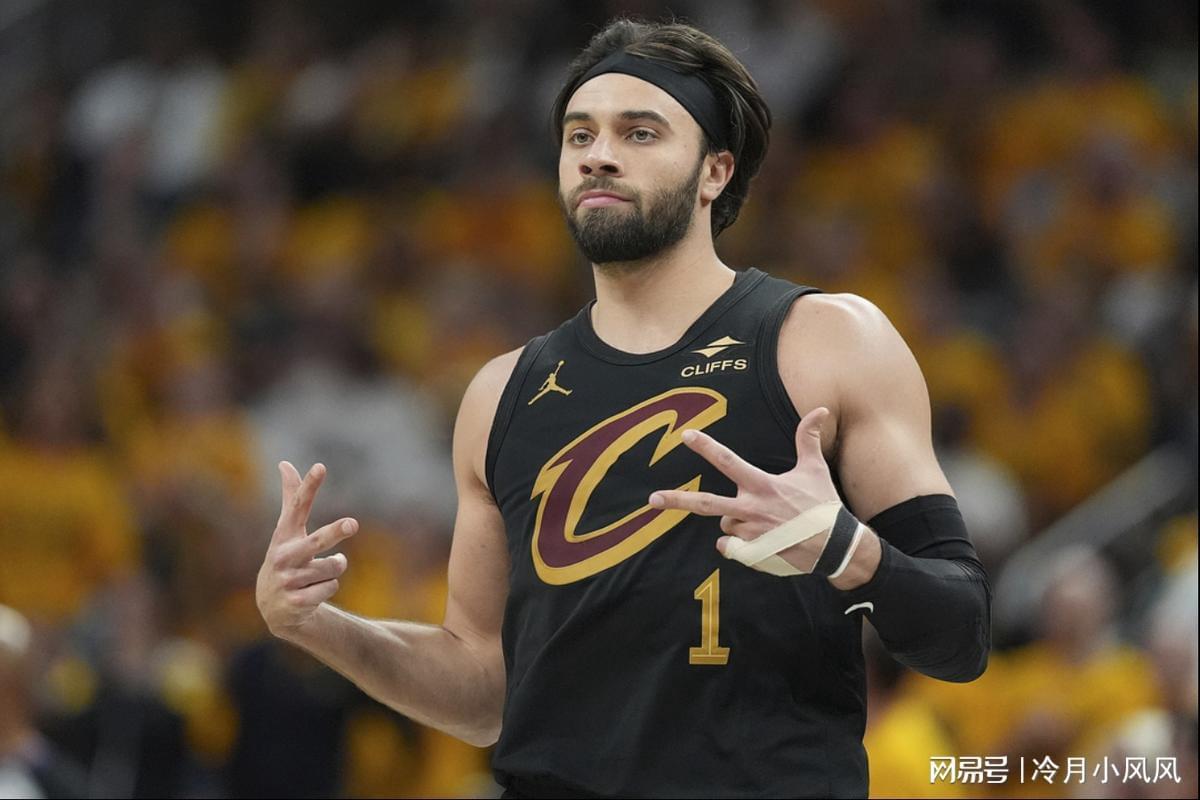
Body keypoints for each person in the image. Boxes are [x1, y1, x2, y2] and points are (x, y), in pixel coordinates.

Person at [256, 18, 991, 798]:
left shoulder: (825, 341)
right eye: (580, 135)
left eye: (640, 133)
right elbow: (483, 692)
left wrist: (845, 548)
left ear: (715, 171)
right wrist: (318, 626)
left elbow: (963, 634)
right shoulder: (500, 394)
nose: (598, 154)